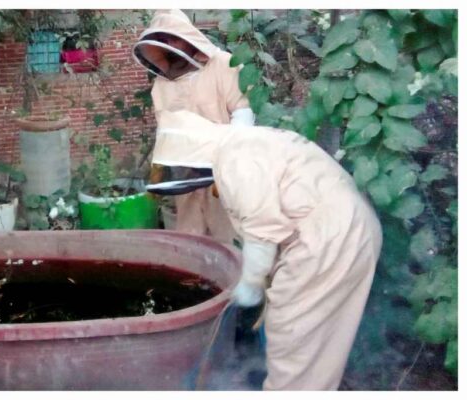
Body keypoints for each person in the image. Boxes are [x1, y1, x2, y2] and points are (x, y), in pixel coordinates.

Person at [146, 110, 382, 390]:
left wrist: (250, 283)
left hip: (326, 239)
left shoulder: (235, 158)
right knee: (321, 337)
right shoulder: (247, 144)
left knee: (294, 337)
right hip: (345, 229)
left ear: (189, 150)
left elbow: (262, 234)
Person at [132, 9, 255, 244]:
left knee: (229, 239)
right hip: (186, 173)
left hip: (222, 169)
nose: (170, 44)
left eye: (174, 37)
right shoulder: (162, 83)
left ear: (188, 35)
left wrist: (234, 159)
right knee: (190, 240)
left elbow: (243, 112)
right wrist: (160, 174)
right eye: (164, 40)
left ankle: (237, 278)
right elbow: (166, 132)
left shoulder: (222, 64)